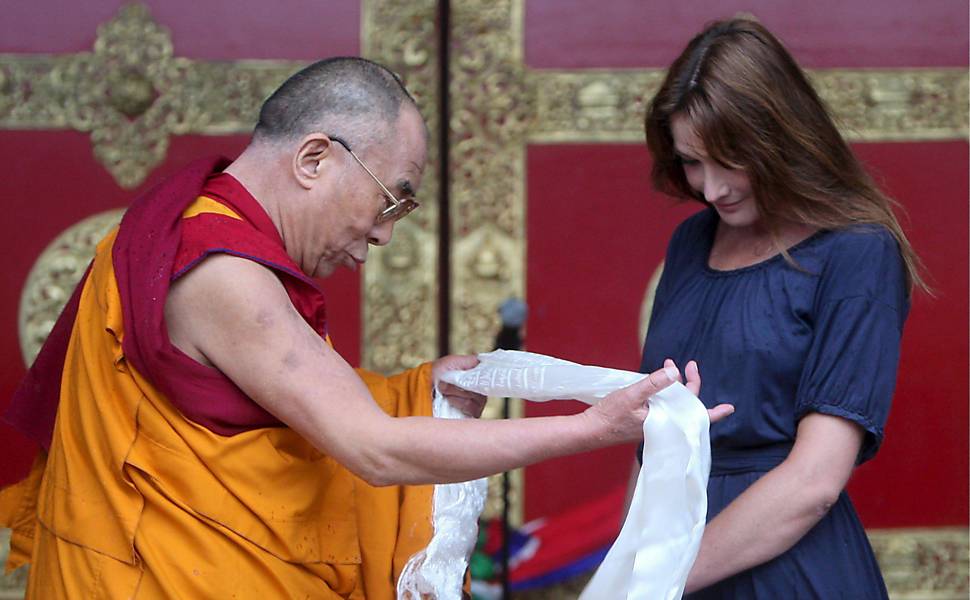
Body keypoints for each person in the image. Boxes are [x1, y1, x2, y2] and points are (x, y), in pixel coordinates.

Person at [0, 57, 731, 599]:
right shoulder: (218, 271)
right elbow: (373, 449)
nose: (383, 235)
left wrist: (419, 389)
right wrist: (591, 427)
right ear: (315, 158)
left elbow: (291, 411)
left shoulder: (202, 240)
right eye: (391, 200)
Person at [638, 18, 925, 599]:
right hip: (673, 562)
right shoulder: (692, 241)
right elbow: (653, 439)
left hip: (789, 573)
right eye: (692, 162)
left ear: (781, 137)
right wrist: (636, 565)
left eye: (729, 159)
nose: (712, 188)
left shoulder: (857, 251)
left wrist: (654, 580)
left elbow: (815, 481)